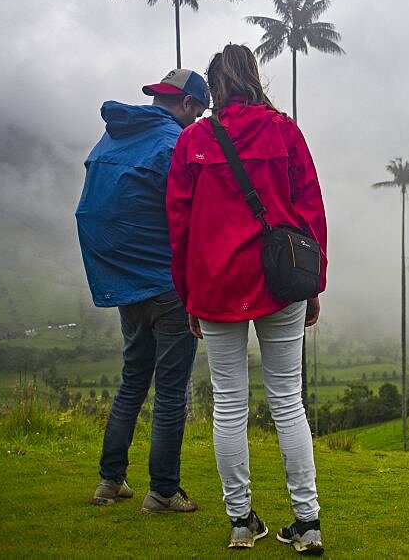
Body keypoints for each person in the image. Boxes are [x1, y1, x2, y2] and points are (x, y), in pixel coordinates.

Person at [167, 44, 327, 554]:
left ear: (214, 88)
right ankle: (308, 522)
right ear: (254, 78)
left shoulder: (193, 140)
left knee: (229, 405)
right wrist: (314, 282)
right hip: (280, 282)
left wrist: (188, 294)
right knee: (288, 403)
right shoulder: (284, 131)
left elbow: (180, 227)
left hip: (215, 285)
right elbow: (310, 209)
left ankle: (241, 521)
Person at [76, 68, 209, 513]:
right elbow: (192, 215)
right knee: (171, 390)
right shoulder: (174, 144)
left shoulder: (110, 141)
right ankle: (164, 492)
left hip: (125, 284)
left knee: (133, 380)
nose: (196, 122)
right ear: (188, 104)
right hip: (167, 285)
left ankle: (110, 482)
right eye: (199, 112)